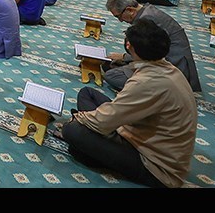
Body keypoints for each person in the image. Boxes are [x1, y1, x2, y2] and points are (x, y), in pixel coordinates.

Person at [57, 19, 197, 188]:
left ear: (129, 46)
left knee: (73, 131)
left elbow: (103, 122)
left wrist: (78, 119)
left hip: (155, 165)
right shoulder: (168, 68)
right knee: (87, 94)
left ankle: (89, 149)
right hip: (139, 131)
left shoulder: (148, 81)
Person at [104, 0, 201, 92]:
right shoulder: (147, 10)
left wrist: (125, 57)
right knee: (111, 65)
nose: (120, 21)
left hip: (172, 66)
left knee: (112, 75)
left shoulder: (146, 19)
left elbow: (150, 55)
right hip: (165, 61)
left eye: (119, 16)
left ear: (130, 10)